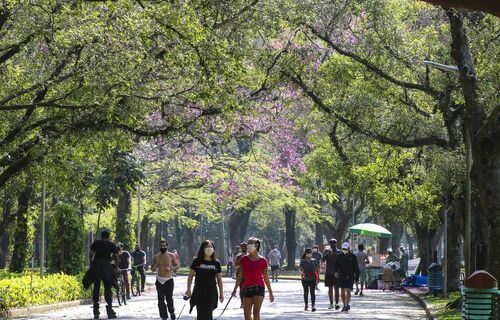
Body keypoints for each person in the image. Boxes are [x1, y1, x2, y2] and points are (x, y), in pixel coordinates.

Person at [232, 237, 274, 320]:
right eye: (248, 243)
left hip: (259, 288)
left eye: (251, 243)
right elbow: (240, 275)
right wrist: (235, 289)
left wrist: (270, 292)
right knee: (247, 315)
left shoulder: (263, 260)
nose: (249, 245)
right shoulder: (243, 259)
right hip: (246, 288)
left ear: (256, 245)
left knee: (256, 313)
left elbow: (265, 277)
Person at [185, 240, 224, 320]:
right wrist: (188, 289)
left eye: (211, 246)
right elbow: (190, 276)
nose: (209, 248)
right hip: (199, 291)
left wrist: (221, 293)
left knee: (208, 312)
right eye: (207, 246)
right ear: (202, 249)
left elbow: (219, 279)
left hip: (211, 291)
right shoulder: (197, 261)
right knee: (201, 312)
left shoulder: (216, 263)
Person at [88, 229, 118, 319]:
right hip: (106, 267)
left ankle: (96, 310)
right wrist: (116, 267)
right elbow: (116, 256)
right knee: (108, 287)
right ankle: (109, 310)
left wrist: (92, 263)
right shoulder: (111, 244)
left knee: (96, 287)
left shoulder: (96, 243)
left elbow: (91, 253)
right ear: (108, 237)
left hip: (97, 266)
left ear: (101, 236)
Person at [151, 240, 180, 320]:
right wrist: (155, 266)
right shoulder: (156, 257)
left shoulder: (171, 255)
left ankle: (172, 312)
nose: (163, 247)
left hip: (169, 280)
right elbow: (152, 269)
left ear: (167, 246)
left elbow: (177, 266)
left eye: (164, 246)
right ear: (159, 246)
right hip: (159, 280)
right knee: (160, 300)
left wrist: (171, 268)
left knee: (169, 298)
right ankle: (163, 316)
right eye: (161, 246)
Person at [333, 242, 359, 312]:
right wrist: (335, 272)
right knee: (342, 291)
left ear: (349, 248)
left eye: (346, 248)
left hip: (350, 276)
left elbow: (356, 267)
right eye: (343, 248)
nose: (344, 250)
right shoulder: (339, 256)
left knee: (348, 290)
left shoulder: (353, 256)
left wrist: (357, 276)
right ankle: (344, 305)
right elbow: (335, 265)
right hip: (342, 275)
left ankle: (347, 304)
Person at [322, 238, 341, 310]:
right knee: (330, 288)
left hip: (336, 273)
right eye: (331, 244)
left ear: (336, 244)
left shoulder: (339, 252)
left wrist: (339, 272)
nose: (333, 245)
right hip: (329, 272)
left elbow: (341, 263)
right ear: (329, 244)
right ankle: (331, 303)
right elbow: (323, 260)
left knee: (336, 288)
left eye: (334, 244)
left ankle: (337, 303)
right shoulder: (327, 251)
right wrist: (327, 254)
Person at [299, 248, 319, 312]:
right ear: (305, 254)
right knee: (306, 292)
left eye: (310, 253)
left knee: (312, 292)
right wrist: (301, 273)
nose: (309, 254)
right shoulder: (303, 261)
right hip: (305, 278)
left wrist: (318, 277)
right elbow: (300, 269)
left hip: (312, 278)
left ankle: (313, 305)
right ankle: (306, 305)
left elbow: (317, 269)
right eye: (308, 253)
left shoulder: (314, 260)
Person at [233, 242, 247, 307]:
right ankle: (242, 303)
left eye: (245, 247)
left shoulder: (250, 256)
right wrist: (240, 266)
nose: (244, 248)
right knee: (241, 289)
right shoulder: (238, 257)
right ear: (241, 248)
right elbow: (235, 266)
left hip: (248, 275)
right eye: (242, 247)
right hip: (239, 275)